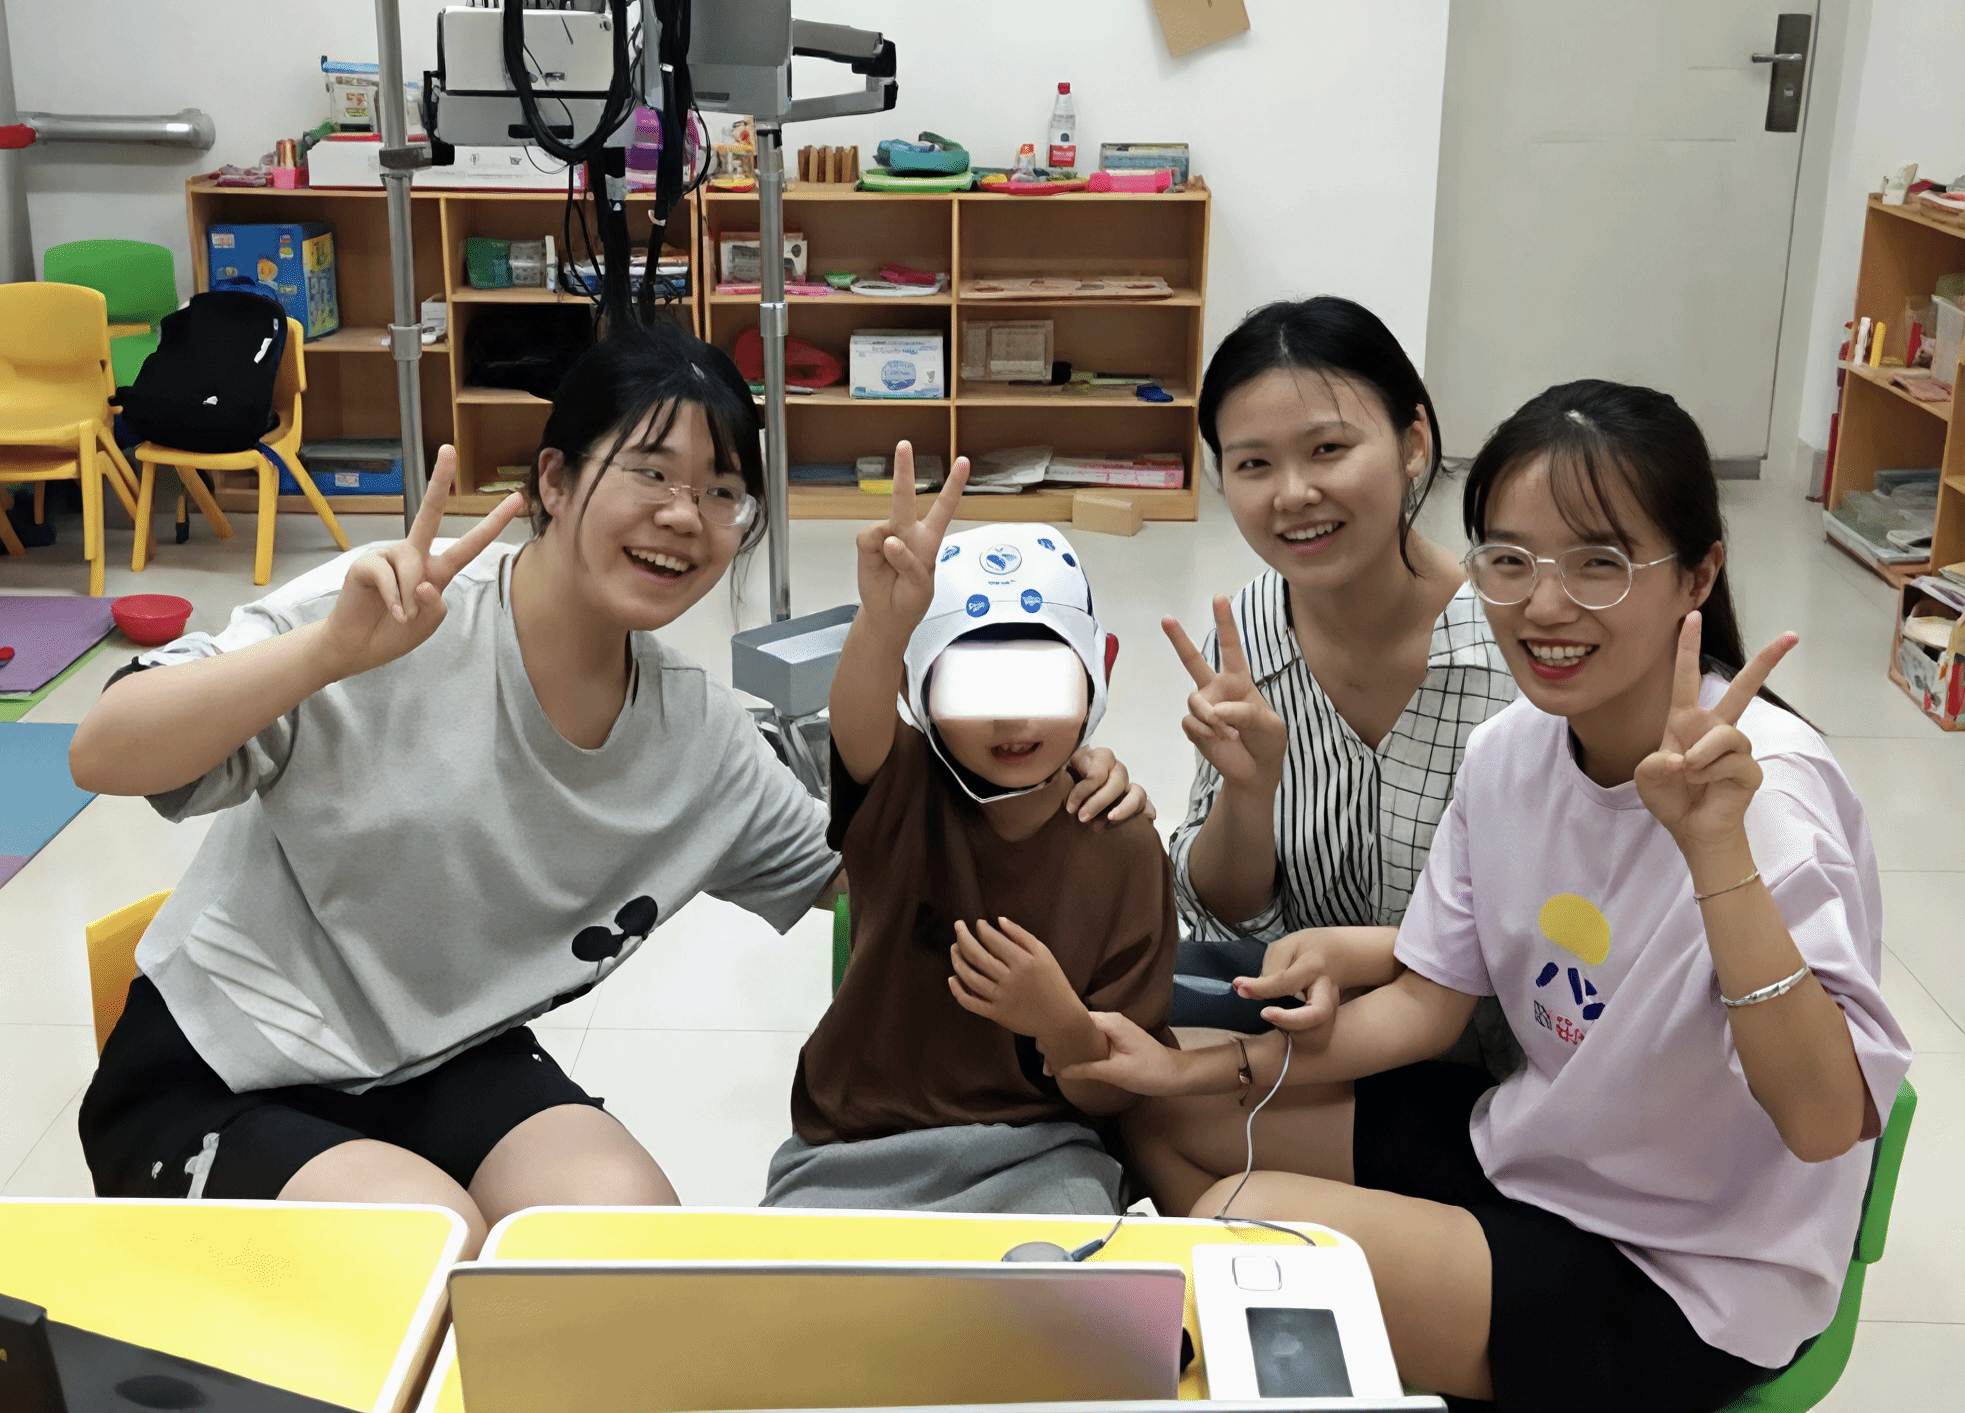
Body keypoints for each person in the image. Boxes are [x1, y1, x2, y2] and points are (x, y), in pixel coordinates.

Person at [71, 324, 1146, 1254]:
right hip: (226, 1067)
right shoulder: (392, 609)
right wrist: (325, 656)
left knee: (623, 1250)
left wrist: (1045, 782)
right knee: (424, 1242)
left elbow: (883, 870)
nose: (685, 514)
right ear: (553, 480)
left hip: (449, 1060)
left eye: (721, 491)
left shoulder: (700, 739)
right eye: (650, 472)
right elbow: (103, 751)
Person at [1064, 380, 1912, 1413]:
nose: (1544, 605)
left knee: (1241, 1228)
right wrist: (1198, 1066)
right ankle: (1331, 1361)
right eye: (1509, 560)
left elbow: (1823, 1123)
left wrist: (1714, 852)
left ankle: (1339, 1349)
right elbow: (1426, 1004)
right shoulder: (1510, 748)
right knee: (1159, 1107)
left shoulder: (1767, 792)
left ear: (1697, 574)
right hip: (1531, 1151)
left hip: (1690, 1267)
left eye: (1598, 563)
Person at [761, 442, 1175, 1214]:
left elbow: (1121, 1089)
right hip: (854, 1143)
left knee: (1064, 1278)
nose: (1013, 717)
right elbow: (856, 719)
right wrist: (885, 625)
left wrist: (1061, 1023)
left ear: (1096, 675)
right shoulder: (902, 789)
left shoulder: (1124, 844)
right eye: (973, 684)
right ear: (918, 691)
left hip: (1043, 1148)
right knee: (794, 1280)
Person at [1163, 297, 1517, 1064]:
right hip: (1303, 1032)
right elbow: (1224, 915)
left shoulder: (1514, 650)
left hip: (1493, 1061)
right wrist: (1248, 795)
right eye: (1254, 464)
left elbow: (1557, 921)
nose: (1292, 494)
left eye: (1328, 449)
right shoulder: (1247, 638)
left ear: (1413, 443)